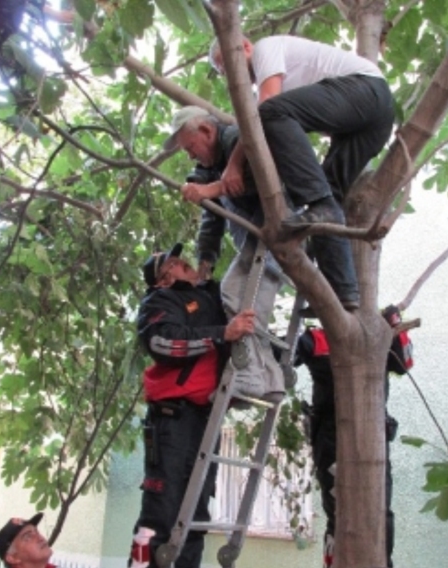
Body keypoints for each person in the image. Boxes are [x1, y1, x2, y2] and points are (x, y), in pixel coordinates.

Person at [210, 35, 396, 309]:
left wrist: (234, 164)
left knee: (270, 113)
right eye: (224, 73)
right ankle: (343, 293)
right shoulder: (282, 80)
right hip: (373, 119)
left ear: (244, 46)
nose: (230, 77)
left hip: (368, 91)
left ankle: (318, 206)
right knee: (328, 194)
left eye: (226, 67)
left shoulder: (265, 48)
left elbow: (266, 108)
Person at [129, 243, 257, 568]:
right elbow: (162, 342)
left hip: (205, 418)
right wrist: (221, 334)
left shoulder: (207, 298)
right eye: (172, 263)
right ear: (162, 280)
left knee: (195, 517)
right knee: (161, 514)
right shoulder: (160, 301)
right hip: (171, 420)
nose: (182, 262)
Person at [163, 106, 287, 400]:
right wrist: (206, 260)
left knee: (233, 293)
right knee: (255, 310)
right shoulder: (207, 169)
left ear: (206, 131)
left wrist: (212, 189)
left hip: (273, 232)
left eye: (190, 147)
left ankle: (252, 375)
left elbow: (265, 181)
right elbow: (212, 217)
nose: (190, 156)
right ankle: (271, 378)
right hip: (256, 244)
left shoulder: (235, 142)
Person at [295, 307, 412, 568]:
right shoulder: (317, 338)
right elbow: (285, 355)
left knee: (382, 513)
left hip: (374, 442)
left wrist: (394, 325)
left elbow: (404, 363)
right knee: (340, 514)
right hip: (332, 441)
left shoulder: (376, 336)